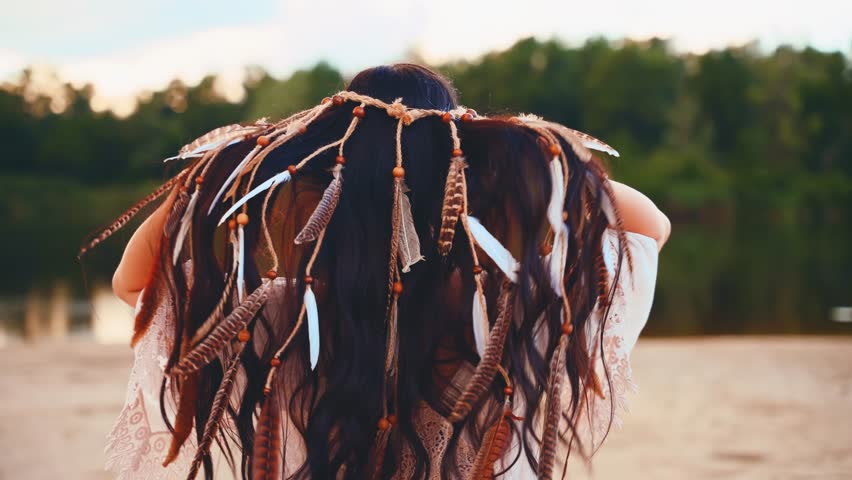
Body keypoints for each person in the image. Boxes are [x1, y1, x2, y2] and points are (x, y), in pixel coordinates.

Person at [99, 63, 669, 480]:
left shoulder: (282, 318)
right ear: (462, 174)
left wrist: (226, 174)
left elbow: (135, 282)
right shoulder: (509, 317)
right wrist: (515, 165)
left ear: (328, 179)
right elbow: (647, 227)